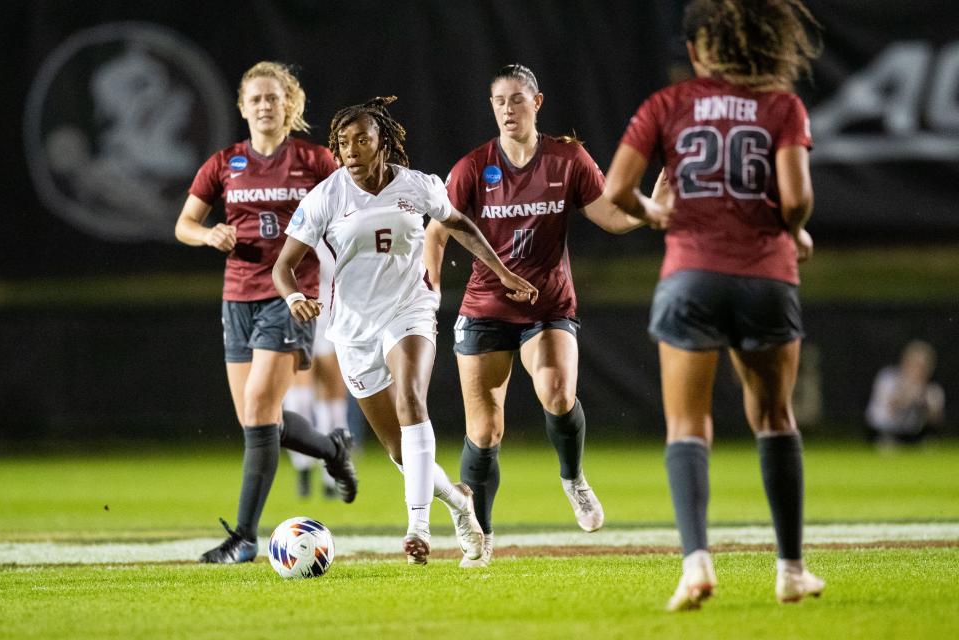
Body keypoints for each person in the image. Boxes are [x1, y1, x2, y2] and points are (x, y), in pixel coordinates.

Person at [604, 0, 826, 609]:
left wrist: (655, 214)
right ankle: (790, 569)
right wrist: (792, 228)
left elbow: (616, 189)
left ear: (699, 50)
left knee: (687, 425)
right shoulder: (782, 106)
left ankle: (697, 563)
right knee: (776, 419)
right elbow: (797, 199)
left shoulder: (666, 104)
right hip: (766, 279)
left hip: (690, 276)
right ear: (761, 45)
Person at [273, 96, 540, 565]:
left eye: (362, 140)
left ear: (382, 144)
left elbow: (461, 226)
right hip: (353, 330)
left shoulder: (417, 186)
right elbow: (284, 266)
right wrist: (295, 297)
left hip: (409, 310)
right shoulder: (325, 197)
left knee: (411, 399)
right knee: (400, 452)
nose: (351, 150)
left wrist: (503, 273)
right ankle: (459, 502)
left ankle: (417, 526)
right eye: (342, 143)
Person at [423, 64, 655, 568]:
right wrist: (432, 285)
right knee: (485, 432)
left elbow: (611, 216)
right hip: (485, 307)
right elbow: (437, 231)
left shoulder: (567, 158)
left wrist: (652, 209)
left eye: (517, 99)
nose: (508, 109)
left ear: (537, 102)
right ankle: (478, 537)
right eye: (500, 101)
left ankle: (572, 479)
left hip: (548, 306)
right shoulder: (472, 167)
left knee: (557, 392)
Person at [174, 61, 358, 564]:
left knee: (260, 411)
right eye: (254, 98)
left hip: (291, 298)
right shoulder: (225, 163)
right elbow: (184, 224)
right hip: (237, 299)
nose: (263, 106)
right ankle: (331, 449)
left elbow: (355, 207)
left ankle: (245, 537)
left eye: (272, 98)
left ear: (288, 105)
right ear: (242, 107)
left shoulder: (314, 160)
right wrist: (208, 234)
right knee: (260, 420)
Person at [283, 239, 352, 499]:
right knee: (299, 400)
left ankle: (330, 473)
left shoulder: (338, 231)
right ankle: (302, 466)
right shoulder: (297, 230)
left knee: (334, 404)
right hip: (299, 322)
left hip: (334, 324)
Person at [866, 340, 945, 445]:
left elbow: (937, 420)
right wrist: (909, 392)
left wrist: (927, 403)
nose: (919, 370)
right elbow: (892, 407)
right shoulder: (888, 378)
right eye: (915, 364)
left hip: (910, 434)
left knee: (929, 441)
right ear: (905, 362)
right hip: (883, 430)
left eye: (923, 366)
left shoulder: (932, 390)